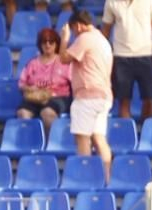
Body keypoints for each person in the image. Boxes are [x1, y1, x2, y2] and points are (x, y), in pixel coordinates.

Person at [60, 11, 114, 182]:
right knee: (99, 138)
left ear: (78, 25)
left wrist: (64, 38)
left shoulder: (84, 38)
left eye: (74, 30)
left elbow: (63, 58)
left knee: (82, 138)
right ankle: (106, 178)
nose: (74, 33)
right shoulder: (103, 41)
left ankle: (86, 179)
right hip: (104, 96)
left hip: (87, 96)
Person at [103, 0, 152, 120]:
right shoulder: (111, 2)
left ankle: (146, 131)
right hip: (121, 56)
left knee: (149, 99)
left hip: (145, 53)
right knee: (123, 100)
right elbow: (106, 28)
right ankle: (127, 134)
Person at [17, 27, 74, 133]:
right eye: (44, 42)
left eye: (51, 42)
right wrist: (30, 88)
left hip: (58, 97)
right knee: (22, 113)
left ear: (56, 43)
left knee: (47, 113)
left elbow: (74, 82)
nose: (47, 45)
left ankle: (51, 142)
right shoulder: (32, 63)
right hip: (35, 97)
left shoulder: (63, 62)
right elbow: (21, 84)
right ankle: (30, 142)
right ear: (40, 44)